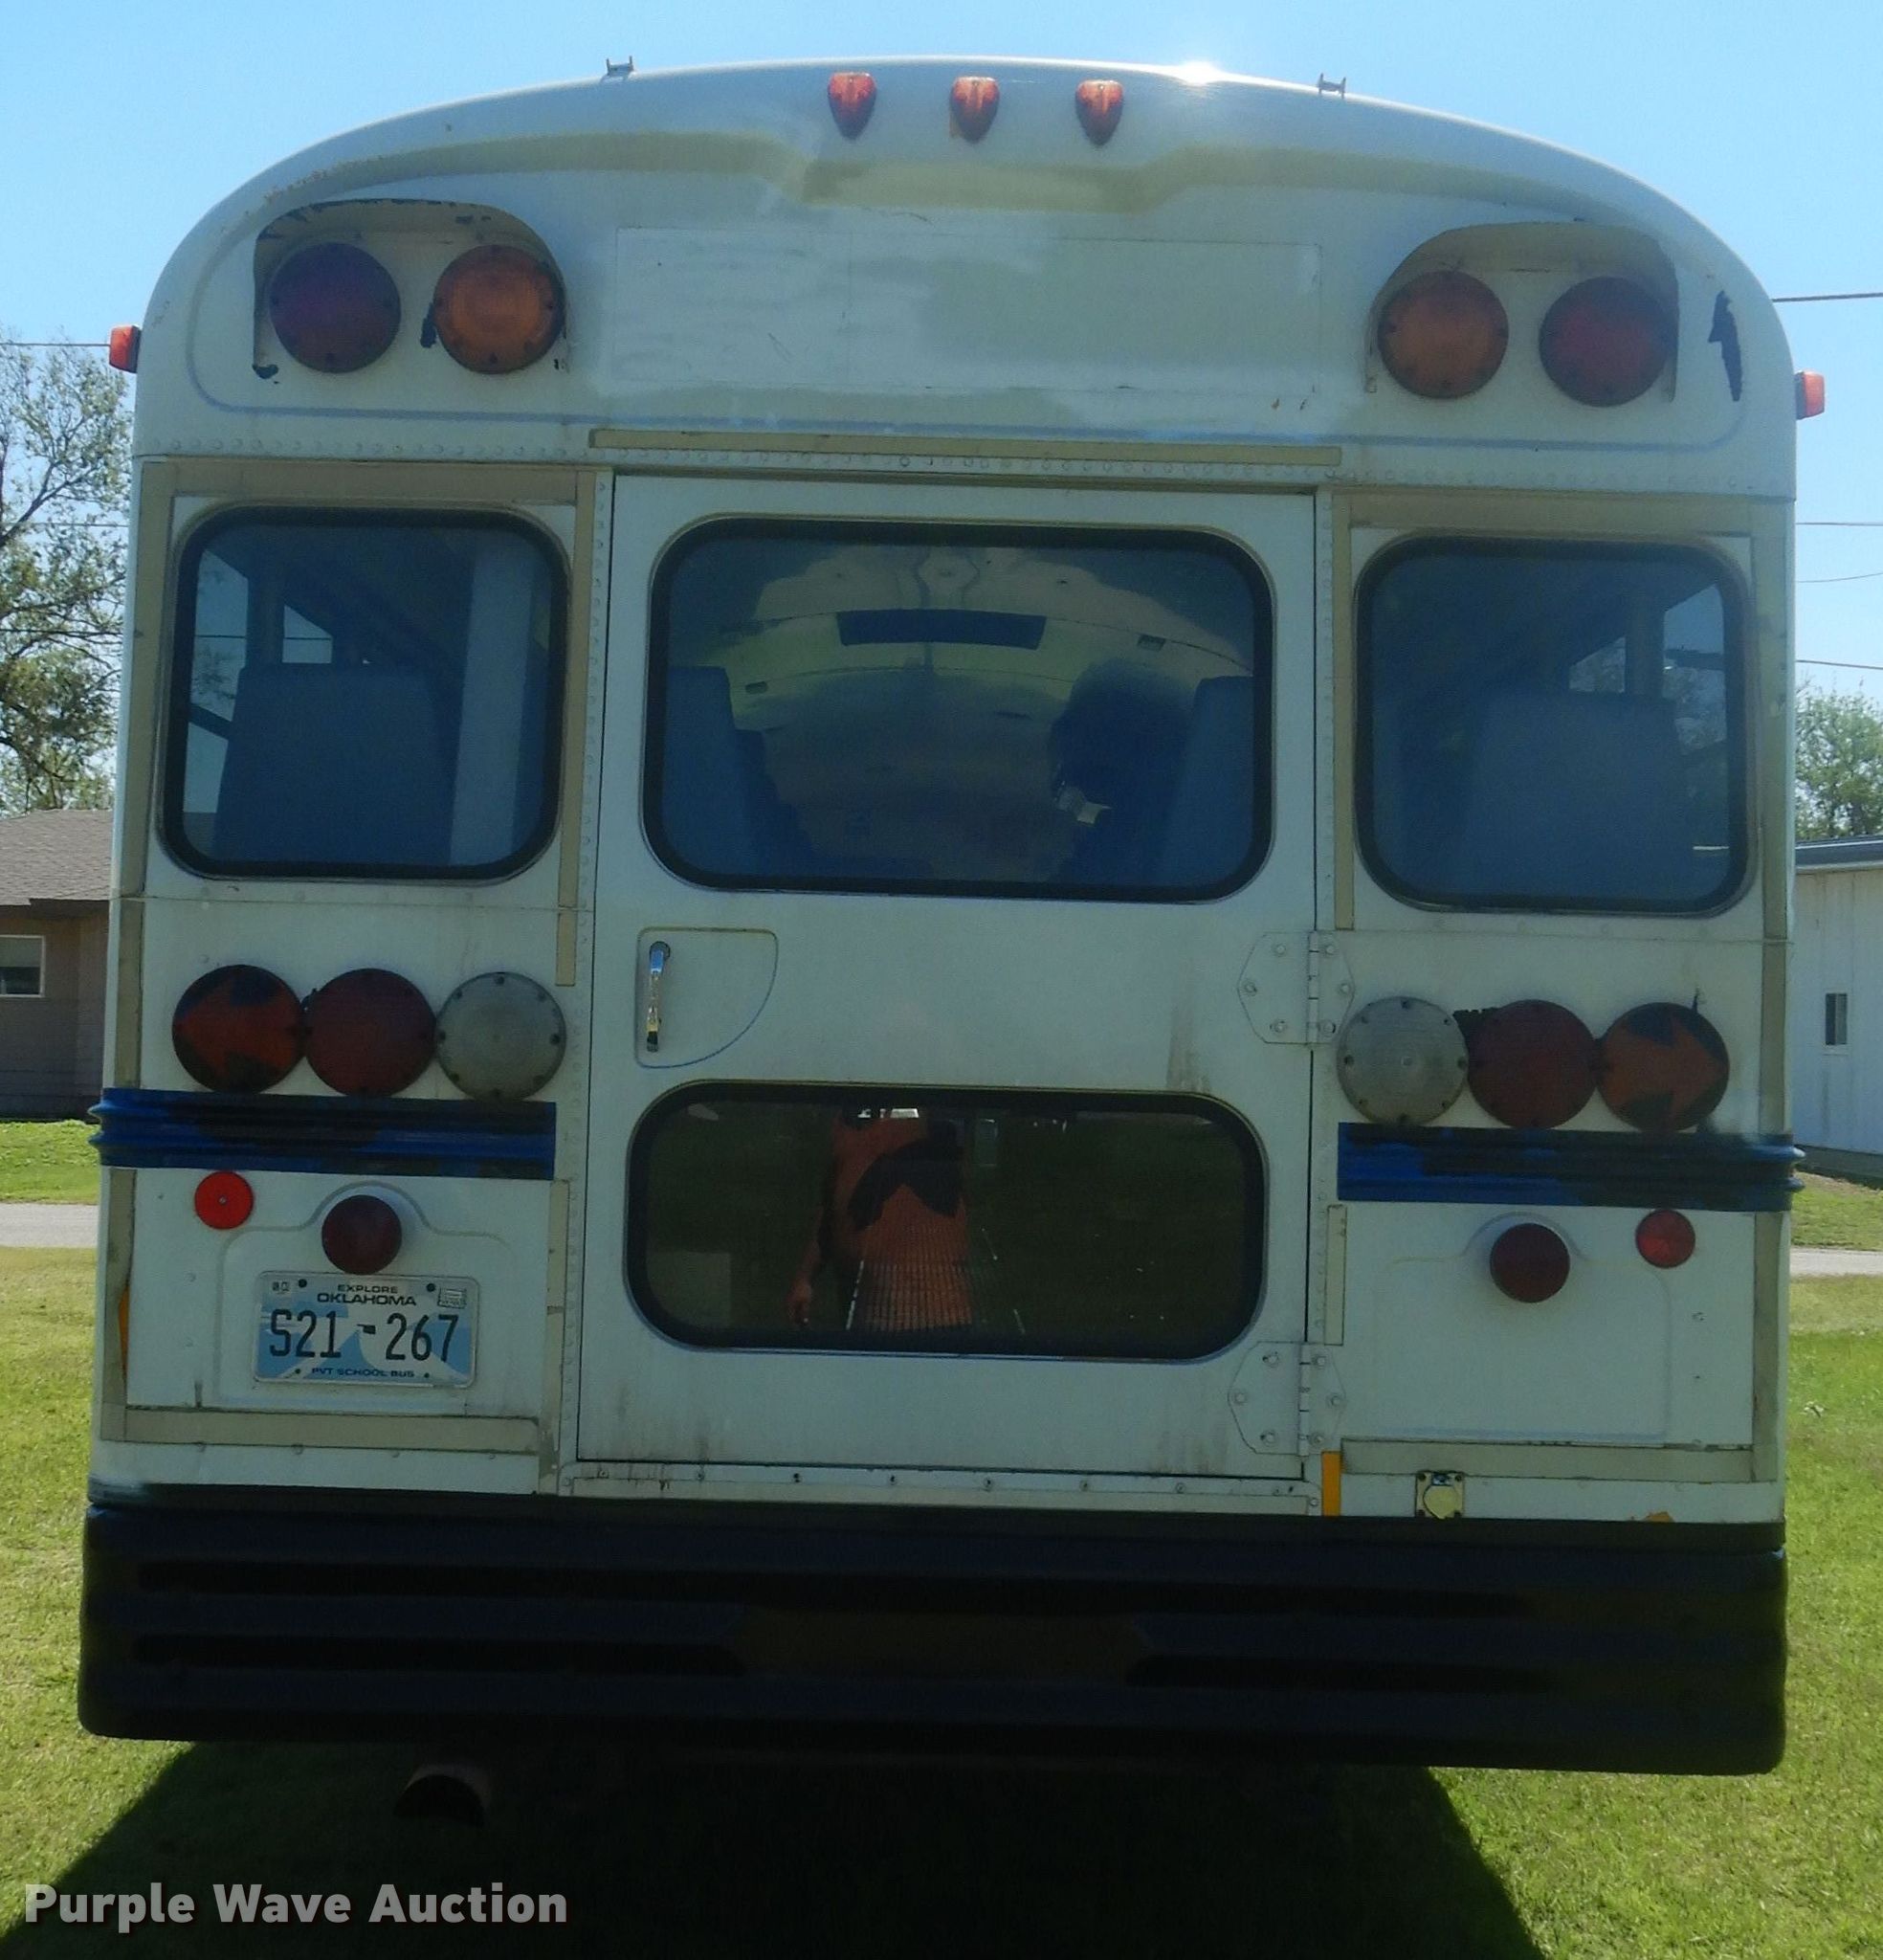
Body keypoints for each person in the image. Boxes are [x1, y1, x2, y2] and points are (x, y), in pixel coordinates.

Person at [786, 1109, 973, 1331]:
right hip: (871, 1314)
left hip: (942, 1313)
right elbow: (830, 1211)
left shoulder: (935, 1133)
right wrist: (805, 1278)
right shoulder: (847, 1134)